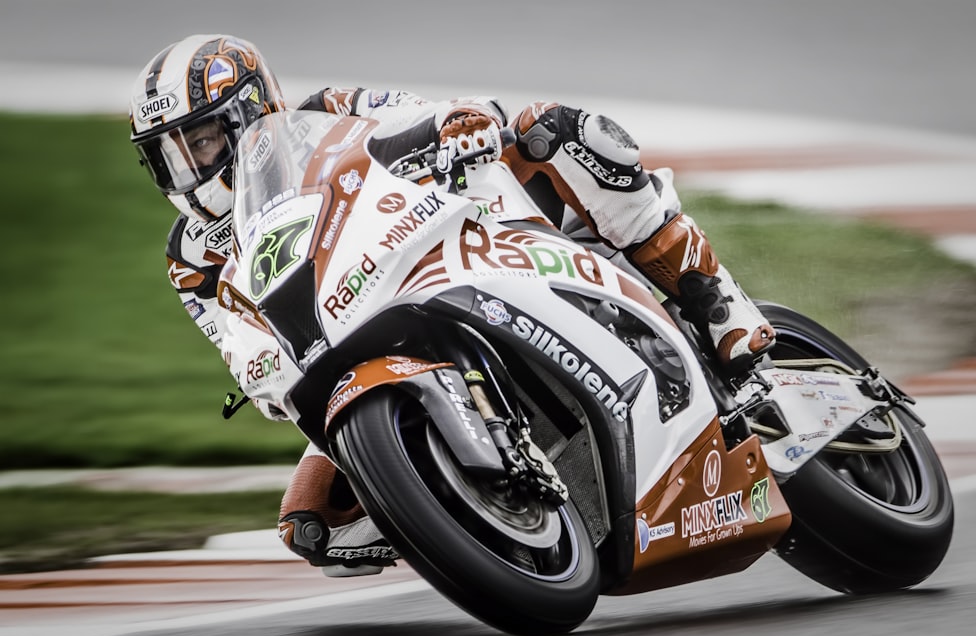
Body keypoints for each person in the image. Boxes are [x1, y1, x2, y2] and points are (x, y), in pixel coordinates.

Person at [129, 34, 775, 578]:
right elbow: (233, 335)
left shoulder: (325, 112)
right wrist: (262, 376)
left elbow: (422, 110)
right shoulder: (189, 255)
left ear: (248, 111)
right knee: (312, 522)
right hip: (344, 346)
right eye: (169, 156)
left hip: (465, 236)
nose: (188, 170)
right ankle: (465, 508)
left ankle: (716, 299)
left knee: (558, 130)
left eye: (203, 141)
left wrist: (456, 125)